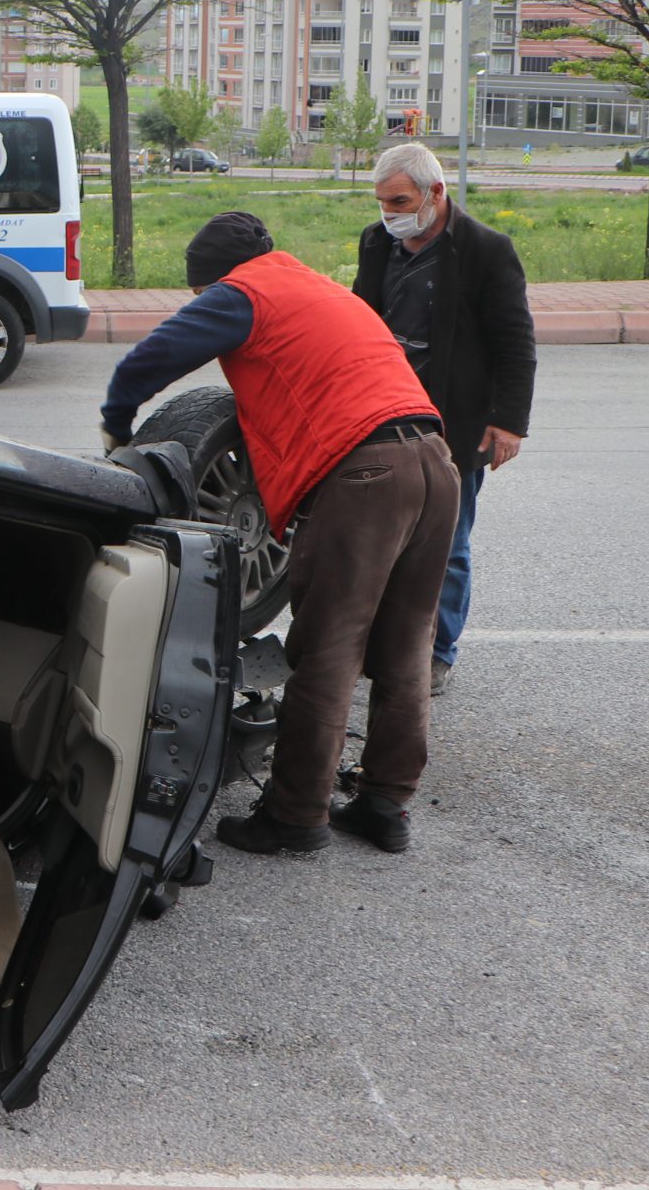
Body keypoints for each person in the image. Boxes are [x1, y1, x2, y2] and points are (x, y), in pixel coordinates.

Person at [103, 212, 456, 856]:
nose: (201, 300)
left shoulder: (242, 293)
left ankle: (295, 816)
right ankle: (385, 805)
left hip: (366, 473)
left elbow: (150, 359)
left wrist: (116, 421)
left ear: (212, 278)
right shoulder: (317, 287)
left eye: (199, 290)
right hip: (435, 461)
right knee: (407, 645)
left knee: (328, 649)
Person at [353, 141, 537, 695]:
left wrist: (509, 422)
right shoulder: (377, 242)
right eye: (383, 202)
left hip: (454, 421)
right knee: (380, 539)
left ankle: (437, 652)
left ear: (435, 192)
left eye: (400, 202)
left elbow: (515, 343)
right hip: (386, 416)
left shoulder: (486, 250)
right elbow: (361, 319)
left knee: (448, 544)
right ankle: (385, 643)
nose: (389, 214)